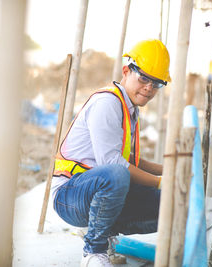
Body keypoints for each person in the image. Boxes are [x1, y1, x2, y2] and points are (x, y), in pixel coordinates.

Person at [51, 39, 171, 267]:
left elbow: (132, 161)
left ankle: (104, 234)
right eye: (143, 78)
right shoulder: (108, 103)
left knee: (169, 204)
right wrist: (158, 182)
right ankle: (93, 252)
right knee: (117, 175)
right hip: (70, 195)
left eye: (156, 83)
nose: (149, 87)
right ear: (126, 71)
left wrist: (170, 172)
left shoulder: (130, 109)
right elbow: (114, 163)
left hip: (95, 191)